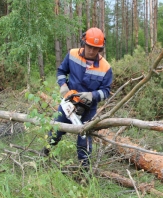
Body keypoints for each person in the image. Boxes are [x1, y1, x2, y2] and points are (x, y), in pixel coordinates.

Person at [43, 27, 113, 167]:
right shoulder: (72, 54)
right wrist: (63, 86)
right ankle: (44, 158)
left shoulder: (105, 67)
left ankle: (84, 171)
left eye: (96, 48)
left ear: (100, 48)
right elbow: (61, 71)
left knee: (84, 141)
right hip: (68, 104)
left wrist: (92, 95)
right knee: (55, 132)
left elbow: (106, 91)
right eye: (89, 46)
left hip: (88, 109)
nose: (92, 51)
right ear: (83, 42)